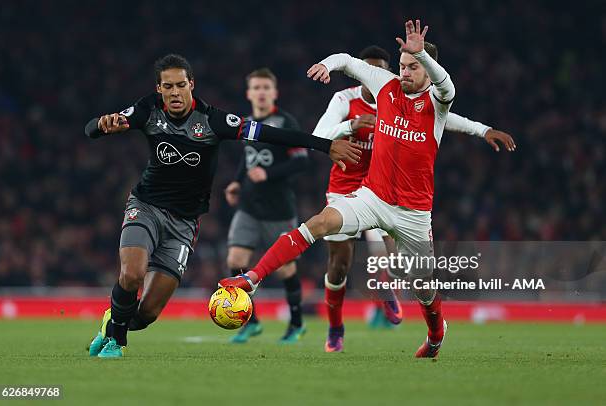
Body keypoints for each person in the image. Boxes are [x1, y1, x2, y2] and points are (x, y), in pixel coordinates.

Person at [219, 20, 515, 358]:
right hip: (371, 196)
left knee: (422, 285)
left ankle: (435, 334)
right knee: (318, 224)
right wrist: (326, 65)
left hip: (413, 213)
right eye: (402, 65)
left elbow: (447, 87)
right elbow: (346, 60)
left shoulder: (437, 102)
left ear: (428, 70)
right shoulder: (385, 84)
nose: (404, 72)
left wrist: (481, 127)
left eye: (413, 67)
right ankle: (250, 280)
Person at [84, 54, 361, 358]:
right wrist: (101, 124)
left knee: (147, 313)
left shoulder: (213, 120)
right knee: (132, 274)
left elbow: (272, 134)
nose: (175, 92)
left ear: (191, 84)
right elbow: (93, 129)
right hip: (146, 206)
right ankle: (116, 343)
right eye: (168, 87)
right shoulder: (147, 109)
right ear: (159, 89)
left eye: (180, 85)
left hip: (184, 223)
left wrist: (324, 145)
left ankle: (110, 325)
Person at [312, 45, 515, 351]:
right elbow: (319, 135)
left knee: (391, 255)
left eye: (382, 70)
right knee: (339, 264)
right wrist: (350, 126)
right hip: (344, 183)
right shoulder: (345, 99)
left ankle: (386, 287)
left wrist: (481, 130)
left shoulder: (395, 93)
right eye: (369, 71)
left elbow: (444, 116)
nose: (373, 78)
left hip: (381, 187)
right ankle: (336, 327)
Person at [225, 68, 308, 344]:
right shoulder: (246, 122)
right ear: (248, 93)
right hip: (249, 205)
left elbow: (301, 160)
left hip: (278, 209)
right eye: (256, 87)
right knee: (235, 261)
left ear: (274, 92)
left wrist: (268, 174)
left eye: (266, 87)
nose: (261, 92)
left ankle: (296, 323)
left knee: (285, 270)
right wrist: (237, 182)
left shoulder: (285, 123)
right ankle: (250, 321)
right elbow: (247, 159)